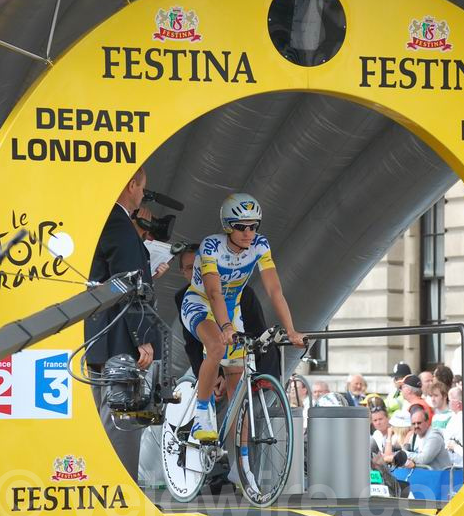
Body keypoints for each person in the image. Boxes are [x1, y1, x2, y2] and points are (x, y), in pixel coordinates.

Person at [180, 193, 305, 472]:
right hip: (201, 303)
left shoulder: (260, 245)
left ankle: (242, 467)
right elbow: (213, 292)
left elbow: (274, 290)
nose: (248, 233)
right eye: (240, 226)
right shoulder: (211, 246)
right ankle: (202, 412)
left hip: (231, 309)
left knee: (240, 391)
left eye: (253, 226)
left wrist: (291, 329)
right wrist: (225, 327)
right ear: (227, 226)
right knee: (216, 347)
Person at [85, 167, 165, 480]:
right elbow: (129, 282)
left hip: (98, 334)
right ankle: (122, 493)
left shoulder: (95, 217)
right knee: (123, 419)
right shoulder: (117, 221)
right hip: (120, 337)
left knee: (105, 416)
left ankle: (106, 488)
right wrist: (143, 335)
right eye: (142, 188)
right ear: (132, 186)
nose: (143, 195)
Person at [175, 243, 281, 383]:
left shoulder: (243, 292)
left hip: (250, 362)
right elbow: (193, 345)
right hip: (216, 361)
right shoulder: (184, 297)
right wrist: (209, 379)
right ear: (182, 272)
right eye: (190, 268)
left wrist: (229, 374)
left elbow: (256, 335)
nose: (197, 271)